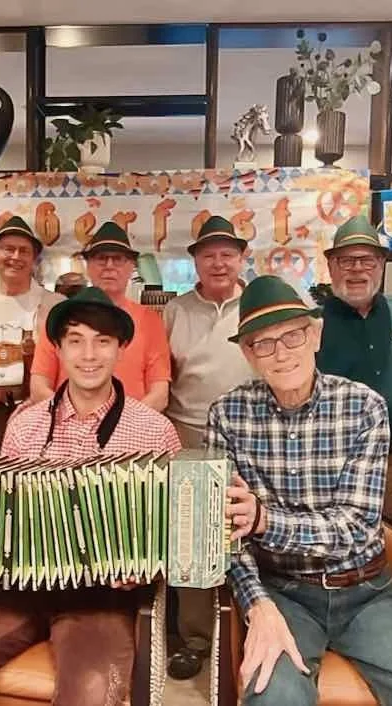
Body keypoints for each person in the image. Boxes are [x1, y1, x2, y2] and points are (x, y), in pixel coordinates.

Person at [0, 287, 182, 706]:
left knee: (88, 697)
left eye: (102, 341)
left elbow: (173, 529)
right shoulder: (24, 424)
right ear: (59, 349)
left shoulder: (154, 431)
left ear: (121, 348)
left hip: (102, 597)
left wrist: (146, 567)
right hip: (11, 585)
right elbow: (1, 512)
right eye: (76, 340)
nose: (89, 354)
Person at [208, 276, 392, 705]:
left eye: (292, 335)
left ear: (315, 334)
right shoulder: (226, 414)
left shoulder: (364, 407)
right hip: (283, 591)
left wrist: (264, 519)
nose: (281, 353)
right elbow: (224, 535)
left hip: (367, 595)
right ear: (248, 354)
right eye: (263, 343)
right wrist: (258, 606)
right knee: (274, 698)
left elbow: (356, 527)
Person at [161, 215, 256, 679]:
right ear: (195, 261)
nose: (218, 263)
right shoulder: (174, 312)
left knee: (252, 530)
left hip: (254, 433)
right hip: (188, 434)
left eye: (227, 254)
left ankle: (255, 626)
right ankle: (196, 639)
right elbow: (165, 377)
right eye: (208, 254)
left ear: (241, 258)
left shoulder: (258, 302)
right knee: (194, 539)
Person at [317, 214, 392, 519]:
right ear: (332, 266)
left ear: (382, 264)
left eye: (367, 260)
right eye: (347, 261)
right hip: (329, 463)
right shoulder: (311, 322)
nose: (358, 270)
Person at [30, 222, 172, 411]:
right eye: (101, 258)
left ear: (132, 267)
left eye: (118, 259)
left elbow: (160, 393)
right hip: (67, 431)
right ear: (88, 266)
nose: (109, 266)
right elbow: (39, 387)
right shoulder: (61, 317)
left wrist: (125, 425)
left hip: (133, 431)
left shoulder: (150, 320)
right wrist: (76, 422)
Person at [0, 216, 65, 447]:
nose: (16, 257)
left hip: (40, 417)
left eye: (24, 251)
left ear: (34, 259)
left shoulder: (55, 305)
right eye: (8, 249)